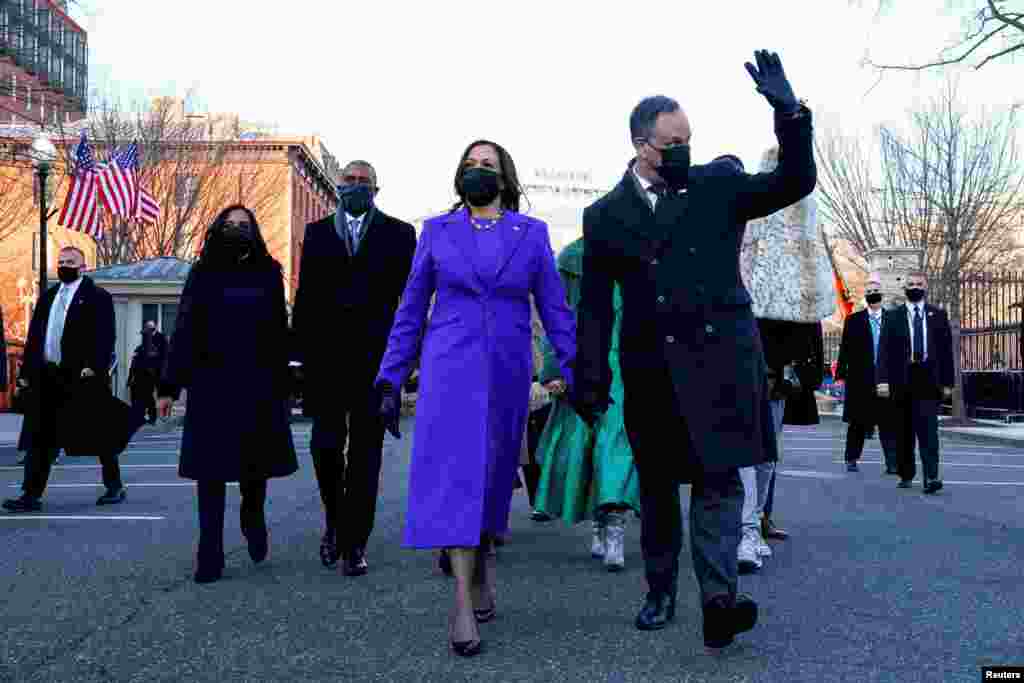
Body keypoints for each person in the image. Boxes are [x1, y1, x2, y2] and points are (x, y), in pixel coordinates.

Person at [573, 50, 815, 650]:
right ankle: (660, 591)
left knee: (718, 483)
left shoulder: (717, 185)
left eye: (689, 139)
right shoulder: (605, 215)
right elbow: (597, 305)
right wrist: (590, 381)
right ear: (640, 144)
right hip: (652, 369)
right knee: (657, 488)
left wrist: (789, 113)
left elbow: (795, 180)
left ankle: (719, 602)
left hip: (721, 364)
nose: (683, 149)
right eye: (672, 141)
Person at [374, 139, 576, 657]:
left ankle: (484, 557)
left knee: (491, 474)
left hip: (507, 371)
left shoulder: (530, 235)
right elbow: (411, 308)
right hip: (449, 370)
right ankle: (462, 600)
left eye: (487, 164)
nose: (478, 170)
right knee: (456, 476)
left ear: (504, 177)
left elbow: (555, 309)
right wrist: (390, 378)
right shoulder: (437, 232)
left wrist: (576, 370)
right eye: (471, 163)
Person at [157, 205, 298, 584]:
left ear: (254, 232)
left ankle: (253, 518)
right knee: (211, 473)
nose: (236, 229)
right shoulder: (202, 274)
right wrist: (169, 386)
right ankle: (210, 552)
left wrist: (287, 381)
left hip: (258, 384)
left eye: (244, 225)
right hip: (211, 384)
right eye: (229, 224)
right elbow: (184, 328)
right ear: (216, 229)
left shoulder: (269, 274)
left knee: (255, 470)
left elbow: (278, 334)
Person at [292, 160, 417, 576]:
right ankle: (335, 520)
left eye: (364, 182)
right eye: (350, 181)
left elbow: (410, 303)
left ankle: (354, 542)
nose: (357, 187)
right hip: (326, 363)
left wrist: (405, 364)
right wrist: (300, 358)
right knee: (324, 448)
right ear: (338, 187)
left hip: (376, 364)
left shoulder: (400, 234)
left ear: (376, 189)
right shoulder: (317, 233)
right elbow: (306, 297)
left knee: (367, 455)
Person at [533, 238, 640, 571]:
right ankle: (600, 520)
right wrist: (552, 368)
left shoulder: (645, 250)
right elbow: (556, 314)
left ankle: (614, 525)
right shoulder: (572, 259)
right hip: (582, 363)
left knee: (616, 443)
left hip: (629, 364)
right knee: (584, 445)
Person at [3, 247, 131, 512]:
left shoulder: (97, 297)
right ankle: (30, 495)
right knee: (40, 438)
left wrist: (94, 367)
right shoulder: (49, 297)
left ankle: (114, 486)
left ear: (82, 266)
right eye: (61, 262)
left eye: (70, 262)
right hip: (47, 377)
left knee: (99, 434)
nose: (64, 266)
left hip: (81, 377)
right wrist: (26, 374)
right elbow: (35, 338)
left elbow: (106, 336)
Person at [877, 271, 954, 494]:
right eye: (911, 284)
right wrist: (882, 380)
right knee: (904, 430)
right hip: (902, 378)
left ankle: (931, 476)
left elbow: (946, 351)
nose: (915, 287)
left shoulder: (938, 315)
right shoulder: (893, 316)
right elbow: (883, 351)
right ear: (905, 288)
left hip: (928, 378)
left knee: (929, 430)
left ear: (926, 286)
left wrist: (948, 382)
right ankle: (906, 472)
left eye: (919, 284)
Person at [836, 278, 899, 474]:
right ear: (866, 295)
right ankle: (851, 458)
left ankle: (892, 462)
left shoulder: (894, 320)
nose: (873, 293)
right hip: (860, 379)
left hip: (886, 379)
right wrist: (841, 374)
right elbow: (845, 349)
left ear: (882, 294)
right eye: (869, 291)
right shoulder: (853, 321)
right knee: (857, 422)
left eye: (876, 290)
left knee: (888, 422)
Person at [128, 321, 167, 425]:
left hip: (150, 376)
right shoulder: (140, 348)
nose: (145, 336)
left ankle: (154, 416)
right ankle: (143, 415)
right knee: (141, 397)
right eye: (144, 334)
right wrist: (130, 378)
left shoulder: (157, 345)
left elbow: (160, 359)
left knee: (148, 397)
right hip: (140, 377)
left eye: (147, 333)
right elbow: (134, 364)